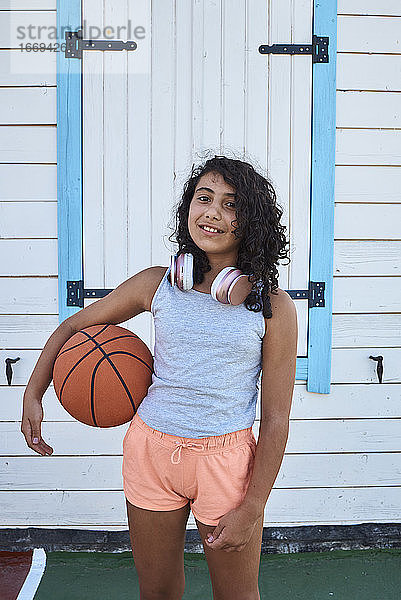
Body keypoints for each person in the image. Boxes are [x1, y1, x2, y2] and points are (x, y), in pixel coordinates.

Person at [22, 155, 298, 600]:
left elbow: (277, 419)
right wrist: (34, 393)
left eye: (231, 205)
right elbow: (74, 327)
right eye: (203, 198)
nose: (211, 213)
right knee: (158, 590)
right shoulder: (158, 284)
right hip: (151, 452)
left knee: (238, 595)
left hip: (225, 462)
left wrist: (253, 506)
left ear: (252, 221)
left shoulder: (274, 308)